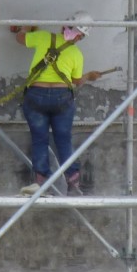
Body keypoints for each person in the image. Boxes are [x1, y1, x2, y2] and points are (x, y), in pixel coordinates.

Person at [11, 11, 99, 196]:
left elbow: (20, 38)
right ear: (80, 36)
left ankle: (42, 183)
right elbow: (75, 82)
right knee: (63, 139)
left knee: (40, 139)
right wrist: (89, 77)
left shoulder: (43, 37)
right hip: (62, 98)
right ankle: (73, 182)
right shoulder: (76, 53)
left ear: (63, 25)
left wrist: (26, 27)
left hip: (36, 95)